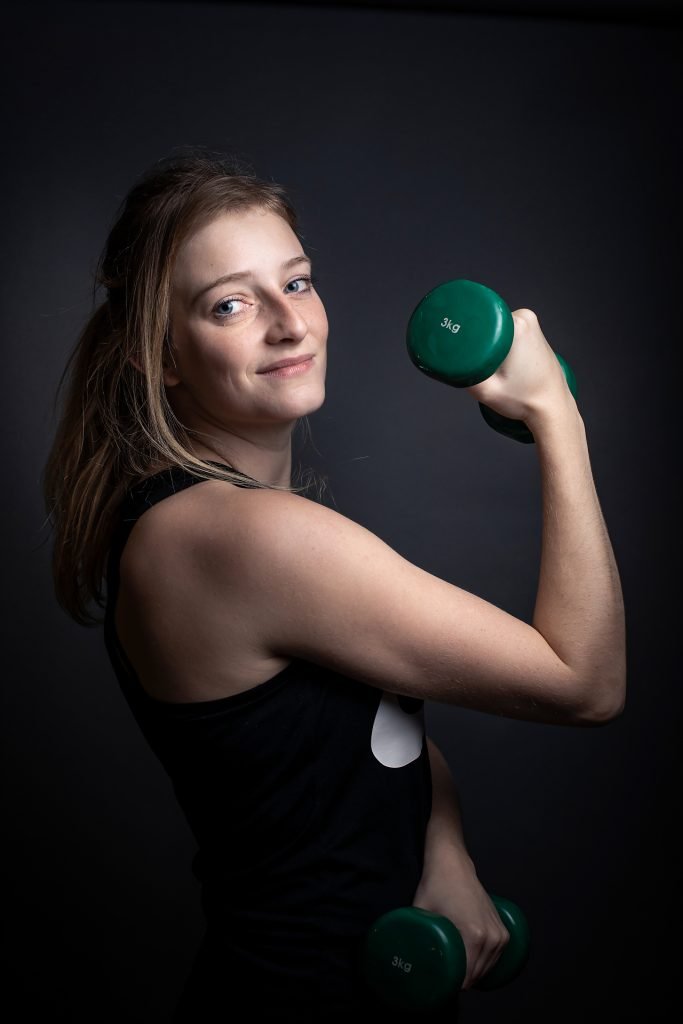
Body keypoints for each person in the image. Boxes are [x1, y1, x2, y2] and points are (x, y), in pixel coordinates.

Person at [42, 151, 626, 1021]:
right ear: (162, 356)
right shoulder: (245, 539)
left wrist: (445, 853)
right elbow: (584, 682)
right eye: (231, 304)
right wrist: (557, 420)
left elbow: (373, 740)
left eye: (299, 282)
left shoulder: (210, 522)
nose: (290, 324)